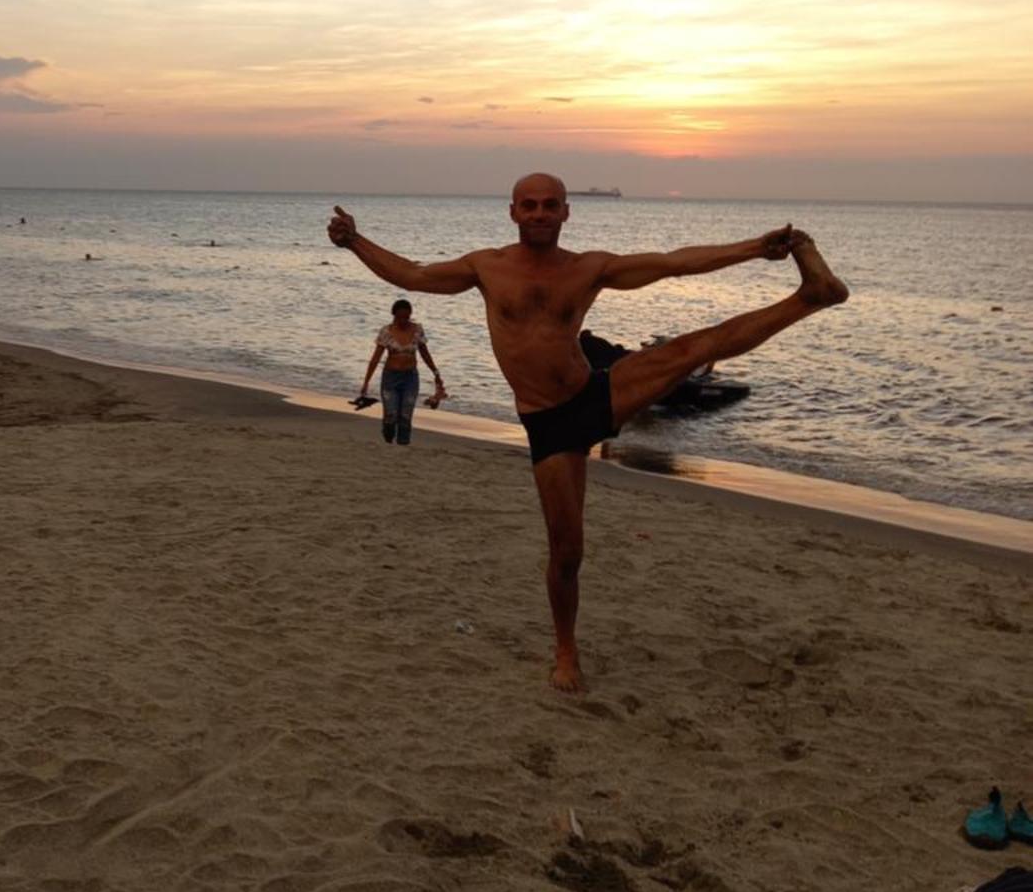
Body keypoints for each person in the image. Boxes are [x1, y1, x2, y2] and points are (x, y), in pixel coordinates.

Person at [328, 173, 848, 694]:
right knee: (567, 551)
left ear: (565, 213)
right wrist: (354, 241)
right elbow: (413, 275)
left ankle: (812, 296)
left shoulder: (588, 268)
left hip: (594, 392)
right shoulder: (486, 267)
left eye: (549, 205)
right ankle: (565, 650)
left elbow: (675, 262)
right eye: (528, 205)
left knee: (693, 348)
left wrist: (755, 248)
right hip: (549, 422)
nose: (538, 213)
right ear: (512, 212)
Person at [357, 298, 446, 446]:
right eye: (400, 317)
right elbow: (375, 358)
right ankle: (388, 436)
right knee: (391, 414)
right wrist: (366, 382)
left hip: (410, 378)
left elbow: (424, 353)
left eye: (406, 317)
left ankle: (403, 444)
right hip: (390, 378)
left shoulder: (417, 330)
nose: (403, 320)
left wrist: (435, 372)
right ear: (394, 315)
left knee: (406, 414)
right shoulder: (386, 331)